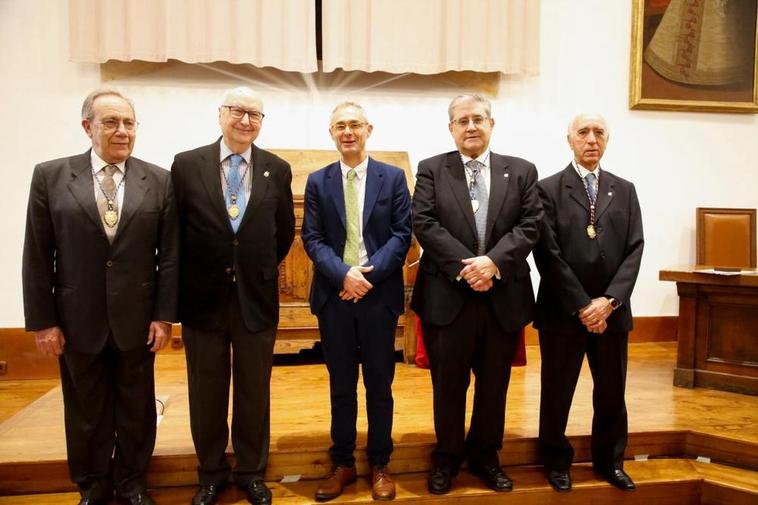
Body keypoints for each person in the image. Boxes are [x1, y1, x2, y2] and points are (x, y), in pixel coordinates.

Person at [22, 88, 178, 505]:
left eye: (129, 123)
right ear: (87, 127)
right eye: (111, 122)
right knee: (86, 411)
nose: (122, 131)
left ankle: (131, 482)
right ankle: (92, 485)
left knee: (136, 407)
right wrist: (43, 321)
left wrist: (164, 316)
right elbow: (37, 253)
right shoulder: (51, 176)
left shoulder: (159, 180)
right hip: (77, 318)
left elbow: (171, 256)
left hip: (137, 318)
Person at [410, 94, 542, 495]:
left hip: (502, 297)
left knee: (494, 386)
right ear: (451, 128)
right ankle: (447, 458)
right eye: (462, 120)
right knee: (448, 386)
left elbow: (531, 223)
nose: (470, 126)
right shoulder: (432, 169)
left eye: (478, 119)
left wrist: (493, 264)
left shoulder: (520, 171)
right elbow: (425, 222)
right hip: (448, 297)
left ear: (491, 124)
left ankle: (487, 456)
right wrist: (469, 268)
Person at [171, 86, 295, 505]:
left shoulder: (276, 169)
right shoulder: (187, 165)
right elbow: (176, 234)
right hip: (202, 298)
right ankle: (209, 473)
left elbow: (282, 233)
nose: (246, 120)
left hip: (255, 299)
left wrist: (251, 270)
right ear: (220, 114)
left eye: (255, 115)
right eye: (238, 111)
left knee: (253, 389)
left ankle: (251, 471)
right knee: (205, 390)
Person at [301, 102, 412, 502]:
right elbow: (312, 237)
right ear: (332, 133)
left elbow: (402, 234)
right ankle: (343, 463)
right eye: (339, 126)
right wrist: (343, 274)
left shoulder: (393, 177)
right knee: (341, 385)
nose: (348, 132)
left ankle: (380, 463)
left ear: (369, 129)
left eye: (354, 125)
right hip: (335, 296)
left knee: (380, 384)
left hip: (378, 297)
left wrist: (366, 275)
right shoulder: (318, 181)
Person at [533, 113, 644, 493]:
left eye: (599, 132)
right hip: (564, 312)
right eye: (583, 132)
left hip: (613, 313)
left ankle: (609, 461)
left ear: (607, 140)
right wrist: (584, 305)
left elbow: (635, 249)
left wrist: (610, 301)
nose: (591, 139)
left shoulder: (624, 189)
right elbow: (547, 254)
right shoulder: (547, 189)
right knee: (557, 390)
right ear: (569, 140)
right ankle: (556, 460)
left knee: (612, 392)